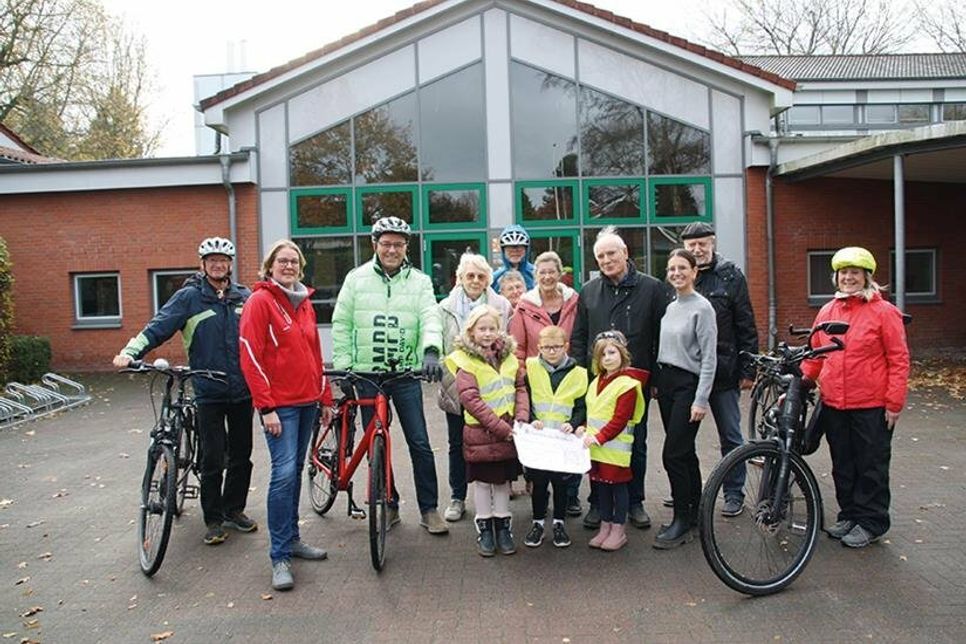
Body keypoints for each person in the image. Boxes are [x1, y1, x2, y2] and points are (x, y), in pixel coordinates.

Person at [113, 237, 256, 547]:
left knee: (242, 455)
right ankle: (214, 518)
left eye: (224, 259)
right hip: (208, 390)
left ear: (230, 264)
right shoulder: (189, 297)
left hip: (244, 390)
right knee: (213, 456)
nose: (219, 264)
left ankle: (234, 509)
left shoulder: (245, 296)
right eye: (212, 259)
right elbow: (157, 327)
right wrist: (130, 351)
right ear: (202, 264)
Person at [331, 216, 449, 535]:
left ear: (406, 247)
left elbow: (430, 318)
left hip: (404, 375)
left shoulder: (421, 282)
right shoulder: (355, 280)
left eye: (398, 244)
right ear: (375, 245)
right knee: (375, 443)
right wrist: (343, 364)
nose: (392, 249)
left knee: (420, 442)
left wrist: (430, 352)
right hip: (367, 374)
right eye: (386, 243)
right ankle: (389, 503)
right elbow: (341, 324)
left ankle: (429, 509)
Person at [238, 239, 334, 591]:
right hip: (280, 407)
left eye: (294, 261)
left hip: (308, 402)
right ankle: (279, 556)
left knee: (293, 474)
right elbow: (250, 355)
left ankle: (292, 540)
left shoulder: (303, 302)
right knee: (283, 474)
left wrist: (325, 397)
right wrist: (266, 407)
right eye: (282, 261)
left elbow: (314, 352)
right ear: (270, 266)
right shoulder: (260, 301)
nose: (289, 266)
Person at [801, 247, 910, 549]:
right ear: (836, 277)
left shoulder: (884, 312)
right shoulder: (827, 312)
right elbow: (815, 354)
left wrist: (894, 402)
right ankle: (849, 514)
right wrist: (802, 382)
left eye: (855, 273)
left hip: (871, 405)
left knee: (870, 465)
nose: (848, 277)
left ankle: (871, 522)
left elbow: (899, 359)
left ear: (867, 277)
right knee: (843, 464)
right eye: (844, 273)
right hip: (835, 403)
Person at [570, 226, 668, 530]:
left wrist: (656, 380)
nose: (606, 259)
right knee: (596, 442)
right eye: (600, 256)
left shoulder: (652, 289)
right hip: (596, 384)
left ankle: (634, 501)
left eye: (611, 253)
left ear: (625, 253)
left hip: (633, 382)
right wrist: (578, 376)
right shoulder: (588, 291)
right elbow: (579, 337)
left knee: (633, 444)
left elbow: (661, 337)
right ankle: (598, 503)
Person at [680, 222, 759, 517]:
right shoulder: (680, 276)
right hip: (689, 374)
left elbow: (746, 323)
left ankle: (734, 493)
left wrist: (748, 368)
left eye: (702, 244)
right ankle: (687, 492)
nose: (697, 250)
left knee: (731, 436)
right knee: (683, 438)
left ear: (712, 243)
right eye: (692, 245)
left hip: (724, 372)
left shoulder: (730, 276)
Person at [445, 305, 528, 557]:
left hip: (508, 432)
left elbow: (521, 388)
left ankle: (503, 527)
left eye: (492, 328)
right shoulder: (464, 361)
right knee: (482, 483)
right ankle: (485, 528)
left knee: (503, 481)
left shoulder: (510, 358)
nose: (488, 333)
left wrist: (521, 418)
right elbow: (471, 400)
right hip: (481, 433)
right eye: (482, 328)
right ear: (471, 331)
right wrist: (502, 428)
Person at [437, 253, 513, 522]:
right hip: (457, 387)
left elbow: (508, 343)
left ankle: (494, 496)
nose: (475, 280)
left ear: (488, 280)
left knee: (493, 440)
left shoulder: (502, 305)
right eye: (470, 275)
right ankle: (458, 497)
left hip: (492, 386)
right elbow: (439, 342)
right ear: (459, 278)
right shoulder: (444, 307)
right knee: (457, 443)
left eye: (481, 276)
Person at [508, 250, 581, 516]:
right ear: (535, 275)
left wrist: (579, 371)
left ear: (560, 273)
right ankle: (539, 488)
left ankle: (571, 494)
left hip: (569, 376)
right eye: (542, 272)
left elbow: (581, 337)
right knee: (540, 433)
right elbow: (516, 347)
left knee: (570, 431)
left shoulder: (574, 301)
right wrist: (521, 377)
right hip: (535, 379)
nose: (547, 277)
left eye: (552, 271)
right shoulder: (525, 306)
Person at [653, 249, 717, 549]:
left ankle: (681, 518)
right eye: (671, 268)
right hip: (666, 383)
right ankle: (694, 511)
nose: (676, 273)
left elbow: (709, 358)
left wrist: (701, 399)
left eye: (682, 268)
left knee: (673, 454)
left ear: (694, 272)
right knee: (684, 451)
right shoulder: (671, 306)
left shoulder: (702, 308)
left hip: (687, 386)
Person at [578, 330, 647, 552]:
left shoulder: (627, 384)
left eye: (612, 352)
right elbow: (594, 413)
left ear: (622, 354)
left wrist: (598, 437)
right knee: (601, 489)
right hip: (597, 449)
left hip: (614, 450)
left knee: (617, 489)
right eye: (602, 355)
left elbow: (620, 419)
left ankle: (618, 530)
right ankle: (605, 527)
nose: (607, 358)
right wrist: (584, 429)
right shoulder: (596, 381)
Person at [522, 325, 587, 549]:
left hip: (563, 441)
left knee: (561, 484)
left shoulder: (579, 373)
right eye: (546, 347)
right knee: (539, 483)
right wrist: (531, 419)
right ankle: (538, 522)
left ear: (566, 347)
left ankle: (559, 522)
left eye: (556, 347)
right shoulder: (530, 368)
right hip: (539, 439)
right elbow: (524, 398)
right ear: (538, 347)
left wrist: (574, 423)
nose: (551, 352)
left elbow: (582, 406)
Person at [492, 224, 535, 291]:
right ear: (503, 251)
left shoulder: (535, 274)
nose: (515, 252)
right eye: (510, 249)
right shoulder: (495, 278)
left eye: (519, 248)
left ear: (526, 250)